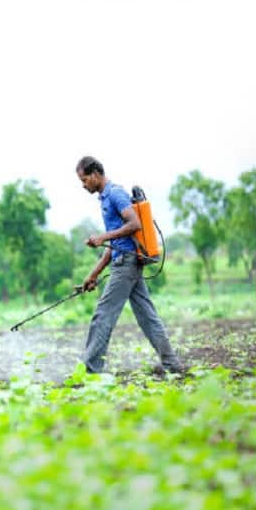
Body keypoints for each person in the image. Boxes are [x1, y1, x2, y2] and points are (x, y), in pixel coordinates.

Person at [75, 156, 184, 374]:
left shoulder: (115, 194)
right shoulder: (105, 199)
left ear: (96, 174)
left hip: (127, 264)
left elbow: (134, 224)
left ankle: (90, 371)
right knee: (147, 317)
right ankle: (173, 366)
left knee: (103, 314)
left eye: (85, 179)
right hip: (125, 261)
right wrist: (93, 274)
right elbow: (115, 244)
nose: (83, 185)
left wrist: (103, 237)